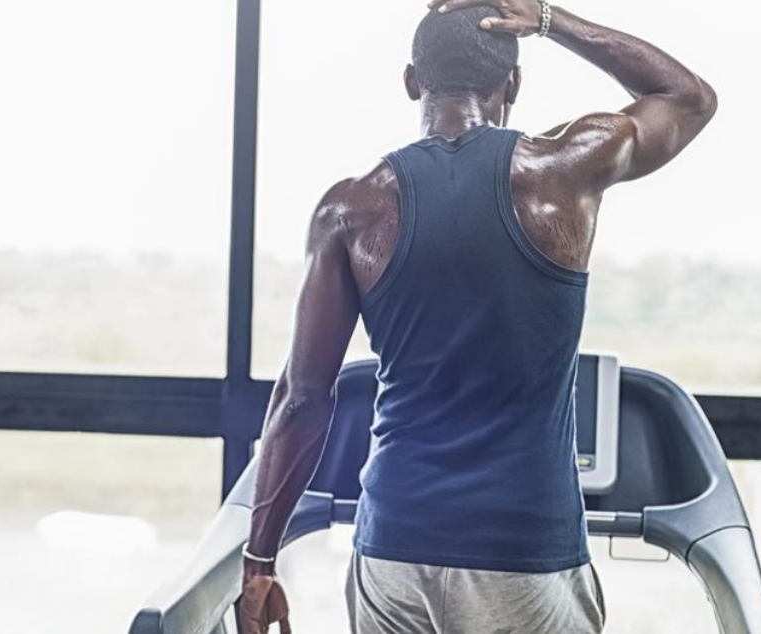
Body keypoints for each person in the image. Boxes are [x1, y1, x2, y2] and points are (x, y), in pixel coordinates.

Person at [235, 1, 717, 632]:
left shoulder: (350, 210)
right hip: (524, 556)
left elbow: (302, 398)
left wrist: (259, 561)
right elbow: (687, 97)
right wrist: (548, 19)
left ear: (413, 81)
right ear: (512, 83)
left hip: (394, 552)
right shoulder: (563, 171)